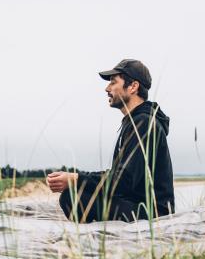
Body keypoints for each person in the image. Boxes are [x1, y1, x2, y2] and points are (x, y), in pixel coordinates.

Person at [47, 59, 174, 223]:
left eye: (113, 83)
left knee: (73, 197)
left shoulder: (144, 123)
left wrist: (76, 179)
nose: (107, 89)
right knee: (75, 195)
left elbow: (122, 182)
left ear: (133, 86)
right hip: (135, 203)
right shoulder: (135, 121)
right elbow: (121, 179)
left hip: (152, 212)